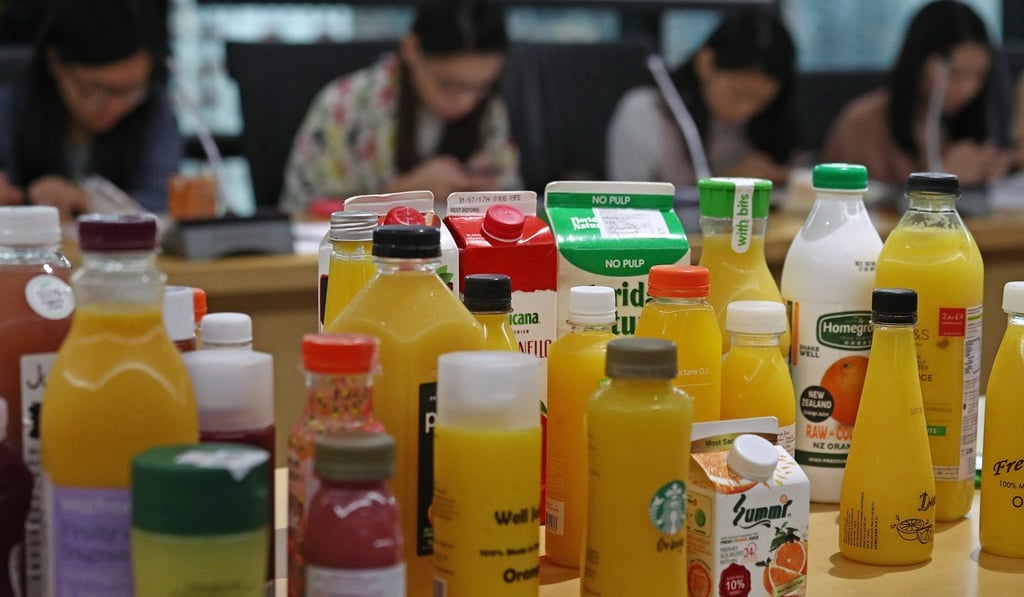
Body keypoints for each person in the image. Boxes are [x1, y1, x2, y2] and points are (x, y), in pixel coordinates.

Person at [281, 0, 520, 215]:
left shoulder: (490, 109)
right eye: (449, 86)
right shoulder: (345, 105)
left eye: (480, 88)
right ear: (411, 49)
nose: (466, 102)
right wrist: (402, 195)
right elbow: (303, 213)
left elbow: (517, 201)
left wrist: (488, 195)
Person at [0, 0, 182, 219]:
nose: (116, 106)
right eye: (96, 91)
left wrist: (85, 199)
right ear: (55, 63)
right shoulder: (12, 108)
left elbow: (162, 203)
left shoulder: (152, 111)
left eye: (131, 91)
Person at [822, 0, 1011, 187]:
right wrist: (941, 179)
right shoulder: (862, 125)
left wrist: (990, 172)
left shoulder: (954, 125)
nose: (968, 89)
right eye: (955, 74)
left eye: (978, 76)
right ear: (918, 61)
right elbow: (861, 208)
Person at [606, 9, 799, 189]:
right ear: (705, 63)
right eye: (737, 94)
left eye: (762, 101)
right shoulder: (646, 114)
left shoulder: (769, 123)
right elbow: (628, 207)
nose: (745, 110)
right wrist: (725, 185)